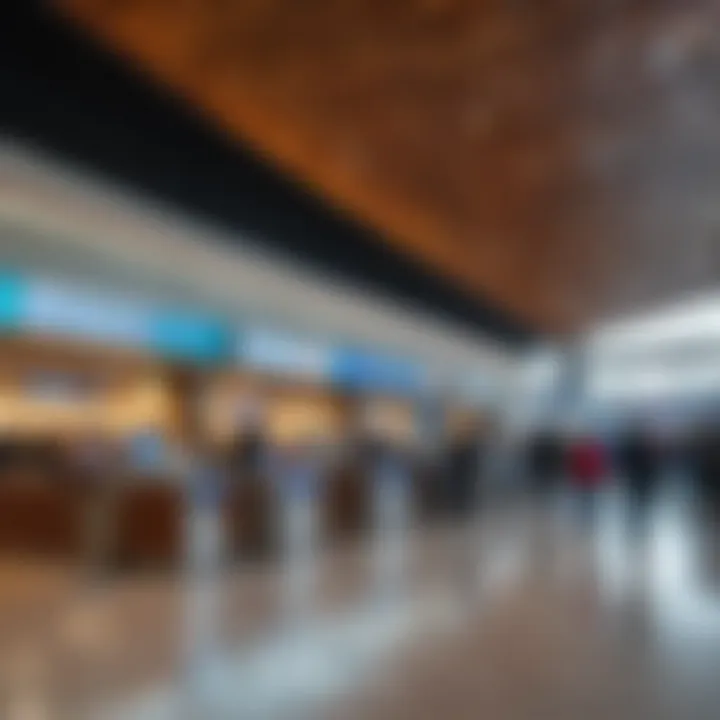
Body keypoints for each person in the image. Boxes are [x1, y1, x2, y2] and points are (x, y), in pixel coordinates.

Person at [617, 426, 660, 530]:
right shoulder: (646, 450)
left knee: (637, 499)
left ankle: (636, 518)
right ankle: (639, 518)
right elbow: (651, 465)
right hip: (640, 478)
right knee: (640, 500)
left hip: (638, 478)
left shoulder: (633, 449)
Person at [567, 433, 608, 523]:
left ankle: (585, 517)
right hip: (586, 479)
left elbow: (599, 465)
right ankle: (586, 517)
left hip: (587, 479)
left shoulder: (584, 451)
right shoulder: (587, 451)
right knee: (586, 499)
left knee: (585, 499)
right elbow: (574, 465)